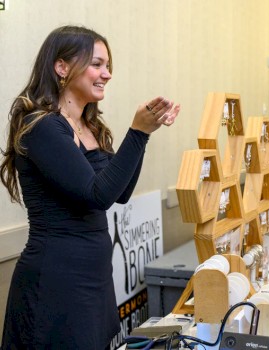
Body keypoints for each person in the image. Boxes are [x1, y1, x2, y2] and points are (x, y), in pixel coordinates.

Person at [0, 25, 180, 349]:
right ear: (62, 67)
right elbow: (97, 195)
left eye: (108, 66)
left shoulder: (88, 125)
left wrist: (144, 133)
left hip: (93, 277)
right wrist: (137, 133)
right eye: (97, 64)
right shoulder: (41, 126)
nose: (107, 74)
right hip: (57, 279)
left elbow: (120, 192)